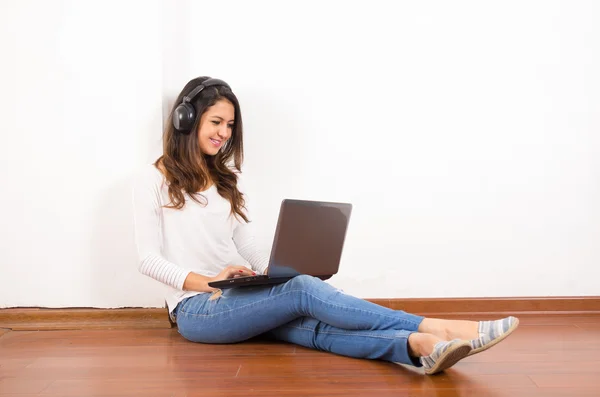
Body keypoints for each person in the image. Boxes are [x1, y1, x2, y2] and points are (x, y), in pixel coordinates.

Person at [132, 76, 519, 375]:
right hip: (195, 311)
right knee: (302, 291)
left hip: (234, 298)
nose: (224, 133)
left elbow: (249, 246)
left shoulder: (226, 181)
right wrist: (209, 282)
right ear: (186, 120)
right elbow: (147, 260)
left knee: (309, 324)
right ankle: (444, 329)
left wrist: (273, 269)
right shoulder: (154, 179)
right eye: (216, 121)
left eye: (230, 125)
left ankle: (419, 347)